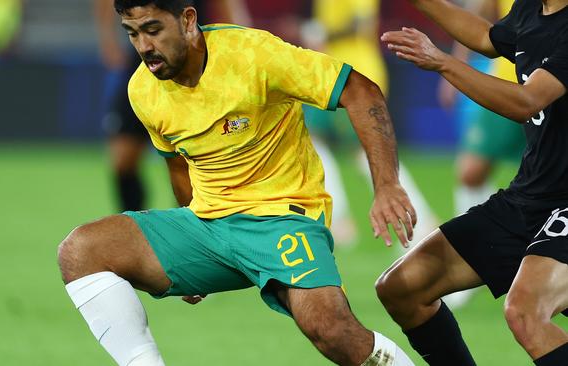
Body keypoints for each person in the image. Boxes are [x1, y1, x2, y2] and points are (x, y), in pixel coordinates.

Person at [58, 1, 419, 365]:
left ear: (187, 20)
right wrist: (188, 250)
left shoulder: (255, 54)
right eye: (132, 33)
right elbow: (179, 168)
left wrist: (386, 185)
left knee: (331, 330)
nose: (144, 46)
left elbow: (360, 90)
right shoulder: (142, 89)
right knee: (81, 251)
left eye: (153, 30)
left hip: (283, 217)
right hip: (210, 225)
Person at [377, 0, 568, 364]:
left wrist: (444, 63)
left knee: (526, 312)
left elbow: (528, 101)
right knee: (403, 287)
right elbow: (487, 35)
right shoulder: (531, 9)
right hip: (531, 195)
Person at [302, 0, 440, 248]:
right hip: (328, 74)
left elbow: (360, 22)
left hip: (353, 77)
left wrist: (322, 32)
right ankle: (337, 218)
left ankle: (419, 217)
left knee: (367, 151)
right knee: (311, 139)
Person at [94, 0, 247, 212]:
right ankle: (137, 228)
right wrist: (107, 40)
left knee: (187, 163)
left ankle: (196, 226)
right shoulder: (141, 53)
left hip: (194, 55)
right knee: (122, 159)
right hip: (146, 59)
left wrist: (240, 47)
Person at [438, 0, 526, 309]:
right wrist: (453, 65)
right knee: (470, 172)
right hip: (505, 84)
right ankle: (474, 260)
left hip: (552, 86)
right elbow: (478, 20)